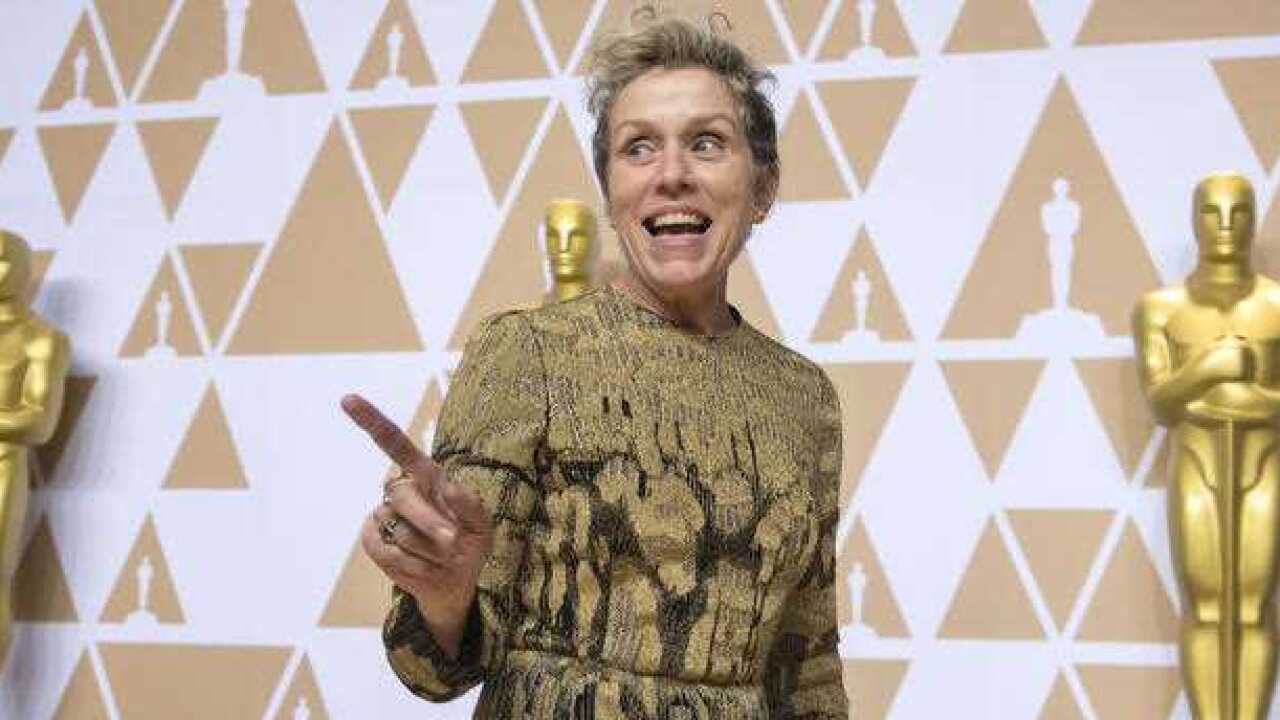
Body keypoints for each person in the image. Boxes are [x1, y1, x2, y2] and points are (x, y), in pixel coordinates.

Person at [343, 18, 847, 719]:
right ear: (612, 193)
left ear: (762, 186)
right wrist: (446, 592)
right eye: (639, 147)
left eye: (707, 142)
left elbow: (810, 665)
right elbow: (435, 670)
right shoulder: (528, 354)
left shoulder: (804, 397)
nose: (672, 173)